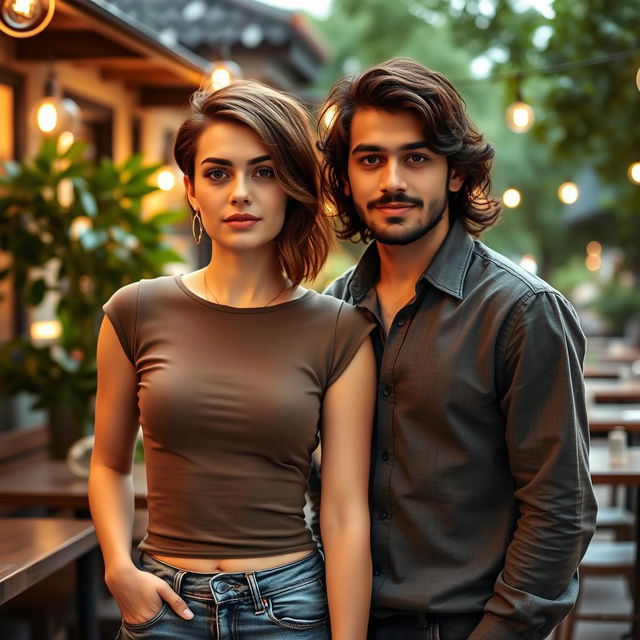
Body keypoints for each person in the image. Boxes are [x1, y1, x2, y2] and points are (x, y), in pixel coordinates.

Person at [317, 58, 597, 640]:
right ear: (345, 178)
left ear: (454, 174)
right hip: (340, 619)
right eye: (371, 159)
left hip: (464, 625)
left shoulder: (522, 312)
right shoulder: (334, 310)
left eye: (416, 157)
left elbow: (559, 509)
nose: (392, 180)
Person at [89, 79, 376, 640]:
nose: (240, 192)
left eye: (264, 172)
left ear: (293, 187)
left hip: (289, 608)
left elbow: (344, 513)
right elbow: (109, 464)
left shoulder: (339, 330)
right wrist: (120, 569)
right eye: (218, 173)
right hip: (164, 605)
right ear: (192, 190)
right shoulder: (135, 310)